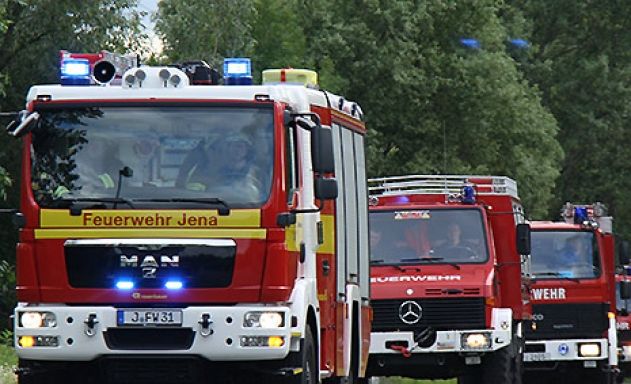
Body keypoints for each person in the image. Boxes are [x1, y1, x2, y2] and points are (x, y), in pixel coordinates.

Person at [178, 132, 262, 201]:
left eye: (240, 146)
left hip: (247, 209)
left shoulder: (255, 170)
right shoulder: (210, 168)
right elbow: (191, 190)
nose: (237, 150)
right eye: (232, 146)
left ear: (247, 150)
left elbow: (257, 194)